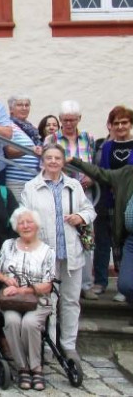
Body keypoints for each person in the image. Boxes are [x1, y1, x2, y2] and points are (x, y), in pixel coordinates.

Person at [20, 143, 95, 361]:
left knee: (71, 301)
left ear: (63, 162)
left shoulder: (73, 185)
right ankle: (48, 345)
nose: (53, 161)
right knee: (47, 302)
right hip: (45, 254)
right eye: (49, 158)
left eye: (57, 158)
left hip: (71, 252)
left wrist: (80, 217)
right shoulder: (31, 187)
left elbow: (89, 209)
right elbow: (24, 218)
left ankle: (69, 345)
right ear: (42, 161)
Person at [0, 207, 55, 391]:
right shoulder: (8, 245)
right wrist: (5, 279)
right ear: (16, 226)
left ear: (37, 226)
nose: (25, 225)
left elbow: (47, 286)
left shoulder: (47, 251)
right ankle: (23, 368)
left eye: (29, 222)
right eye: (21, 222)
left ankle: (36, 368)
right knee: (11, 320)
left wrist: (22, 289)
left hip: (37, 300)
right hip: (11, 301)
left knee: (29, 323)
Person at [44, 100, 96, 300]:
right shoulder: (52, 138)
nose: (68, 123)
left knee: (86, 235)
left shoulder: (88, 138)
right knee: (62, 231)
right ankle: (60, 279)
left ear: (79, 119)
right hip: (60, 190)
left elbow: (93, 163)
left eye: (72, 120)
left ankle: (85, 284)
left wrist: (91, 178)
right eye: (64, 120)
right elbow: (47, 163)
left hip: (85, 190)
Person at [89, 106, 133, 295]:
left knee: (123, 243)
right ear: (111, 126)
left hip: (129, 204)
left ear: (130, 124)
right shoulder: (106, 147)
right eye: (116, 123)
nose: (121, 126)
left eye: (124, 122)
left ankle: (123, 287)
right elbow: (101, 172)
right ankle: (100, 281)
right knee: (102, 241)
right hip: (107, 201)